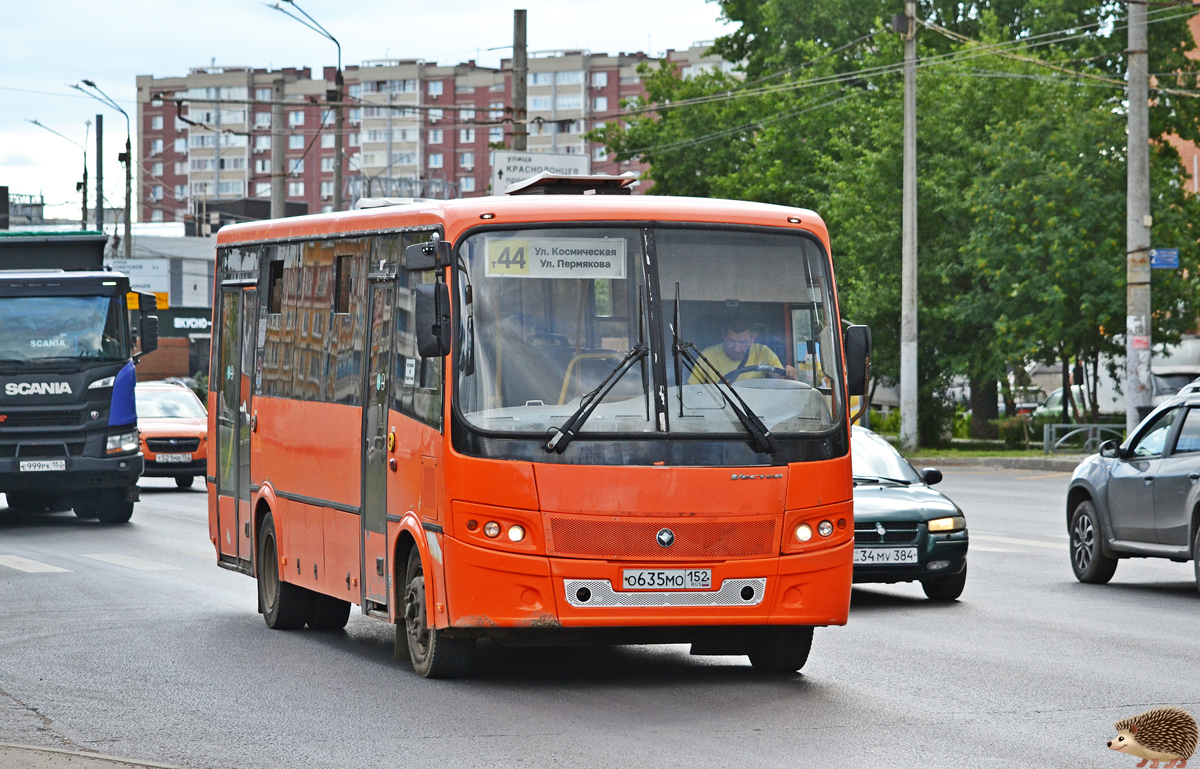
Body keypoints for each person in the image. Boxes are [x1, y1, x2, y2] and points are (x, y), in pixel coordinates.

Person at [688, 318, 798, 384]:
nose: (736, 348)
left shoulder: (763, 353)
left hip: (755, 415)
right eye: (731, 341)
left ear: (753, 338)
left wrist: (788, 374)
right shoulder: (708, 355)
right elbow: (691, 391)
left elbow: (780, 380)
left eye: (743, 342)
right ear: (724, 336)